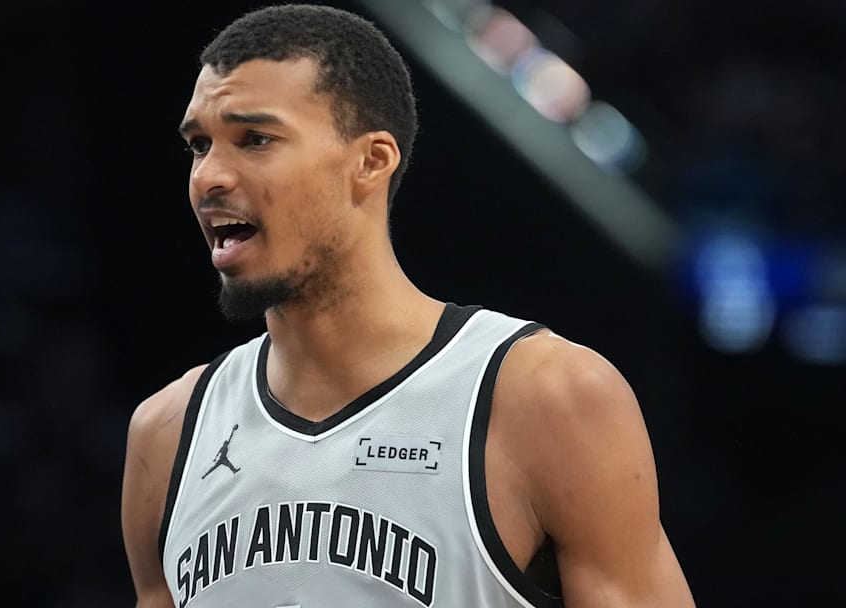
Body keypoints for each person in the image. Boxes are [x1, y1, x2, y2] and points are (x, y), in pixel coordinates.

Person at [120, 3, 696, 607]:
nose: (209, 176)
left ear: (370, 161)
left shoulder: (547, 397)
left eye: (255, 139)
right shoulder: (167, 435)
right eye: (199, 145)